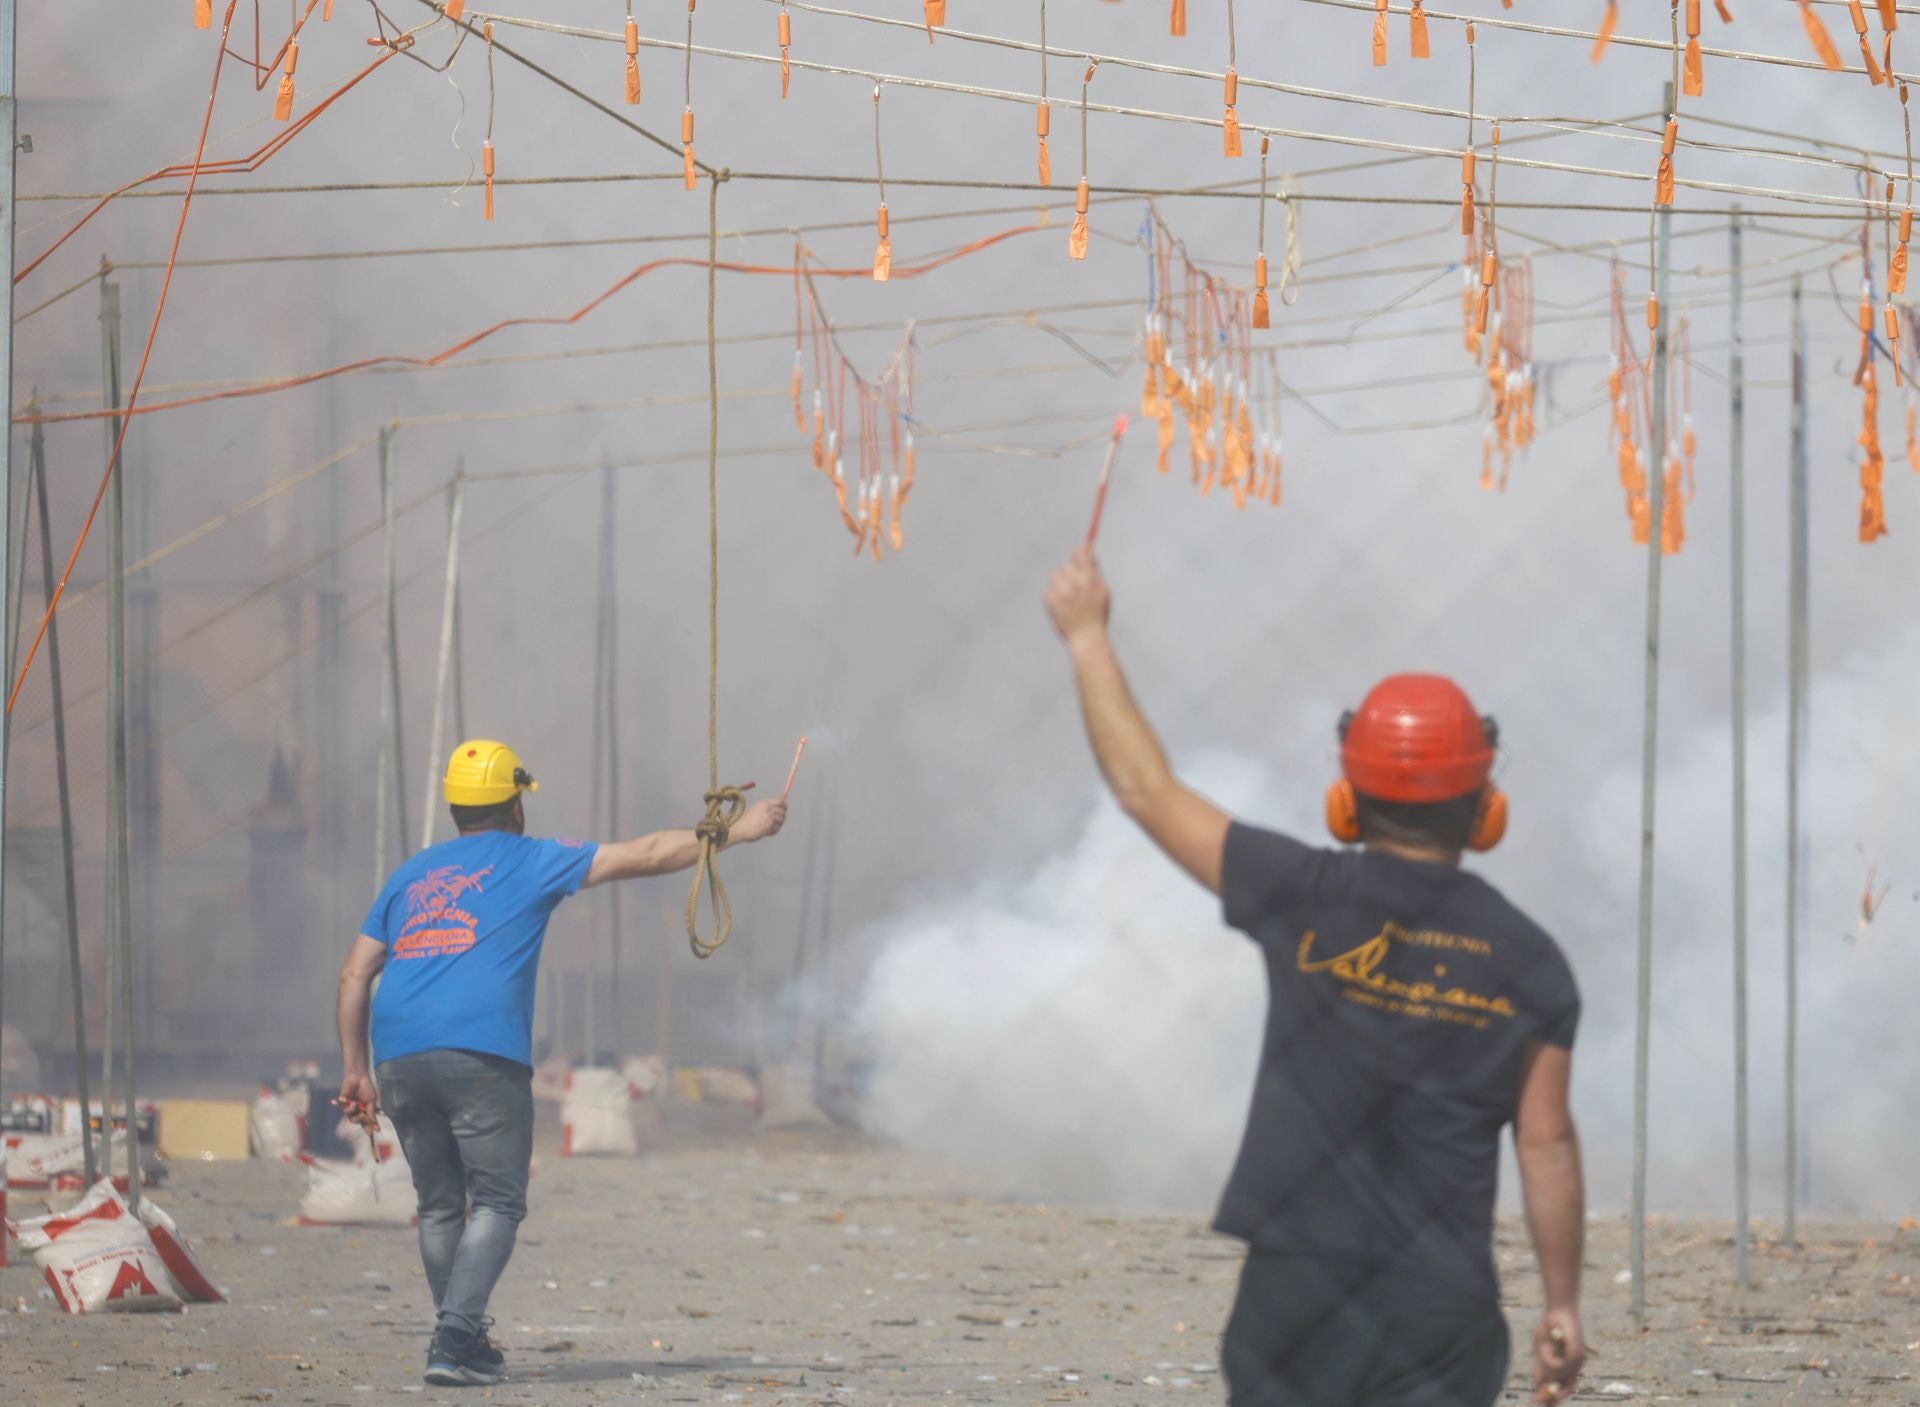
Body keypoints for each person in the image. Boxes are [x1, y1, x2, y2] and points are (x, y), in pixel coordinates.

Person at [1044, 549, 1585, 1407]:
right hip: (1440, 1301)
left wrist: (1085, 638)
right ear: (1485, 808)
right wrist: (1562, 1301)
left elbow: (1146, 791)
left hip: (1295, 1286)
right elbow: (1547, 1143)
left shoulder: (1299, 893)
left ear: (1349, 798)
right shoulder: (1530, 957)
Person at [336, 740, 787, 1387]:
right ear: (516, 804)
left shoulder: (411, 874)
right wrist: (738, 831)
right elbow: (650, 854)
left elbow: (355, 973)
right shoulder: (532, 858)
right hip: (481, 1053)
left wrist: (355, 1067)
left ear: (456, 807)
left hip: (398, 1054)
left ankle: (461, 1338)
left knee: (439, 1205)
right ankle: (455, 1336)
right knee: (496, 1200)